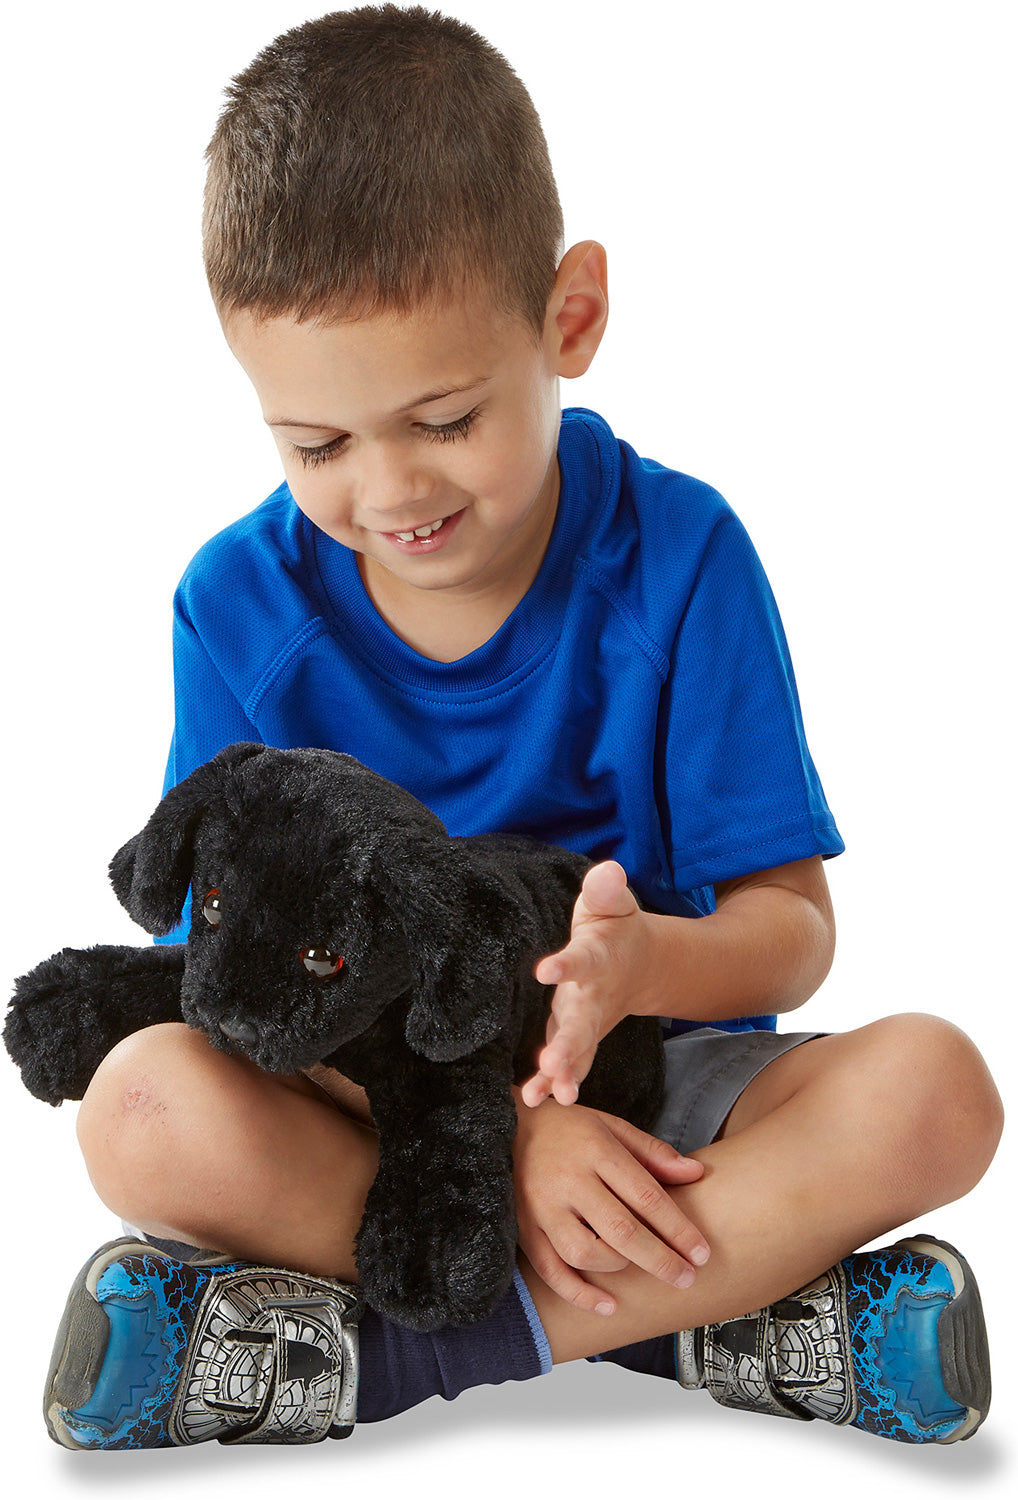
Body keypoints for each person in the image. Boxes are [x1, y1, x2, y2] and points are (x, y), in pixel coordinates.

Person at [44, 5, 1001, 1452]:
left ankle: (354, 1362)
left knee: (935, 1088)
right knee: (143, 1110)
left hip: (653, 1093)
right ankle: (738, 1328)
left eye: (442, 417)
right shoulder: (236, 606)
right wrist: (496, 1139)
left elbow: (790, 931)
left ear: (567, 319)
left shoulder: (679, 559)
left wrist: (645, 967)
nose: (384, 490)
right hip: (368, 1111)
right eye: (315, 445)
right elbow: (226, 977)